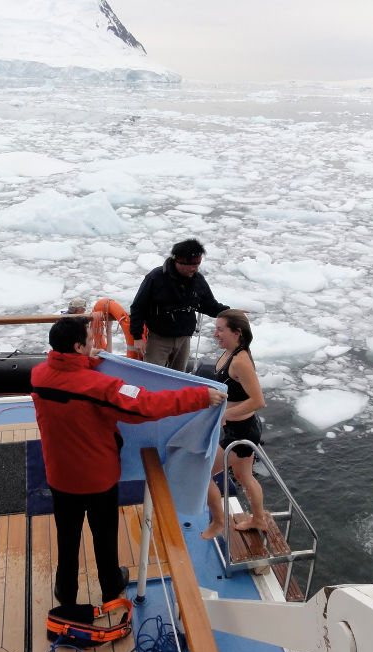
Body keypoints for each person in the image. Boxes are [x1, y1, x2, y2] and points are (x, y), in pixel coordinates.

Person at [31, 316, 226, 606]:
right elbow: (145, 404)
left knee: (67, 537)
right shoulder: (101, 387)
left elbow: (69, 381)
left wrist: (87, 361)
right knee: (104, 535)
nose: (94, 342)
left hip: (61, 476)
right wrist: (198, 397)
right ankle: (110, 586)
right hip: (98, 478)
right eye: (89, 338)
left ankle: (65, 591)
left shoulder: (38, 375)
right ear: (77, 346)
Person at [201, 310, 267, 539]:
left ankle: (218, 523)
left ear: (237, 332)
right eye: (216, 328)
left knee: (203, 473)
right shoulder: (230, 352)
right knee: (243, 476)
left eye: (220, 329)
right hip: (237, 429)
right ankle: (258, 518)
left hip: (240, 432)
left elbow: (258, 401)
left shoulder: (240, 361)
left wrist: (224, 414)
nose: (215, 333)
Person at [129, 238, 229, 371]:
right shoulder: (156, 277)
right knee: (152, 374)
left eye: (198, 264)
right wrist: (137, 336)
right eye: (192, 264)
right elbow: (138, 307)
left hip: (184, 339)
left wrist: (229, 313)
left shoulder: (197, 280)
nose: (195, 268)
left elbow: (209, 305)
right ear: (179, 261)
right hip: (159, 339)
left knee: (178, 375)